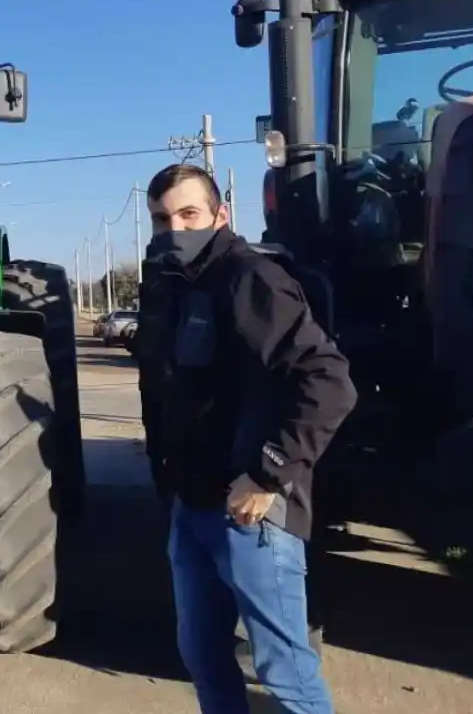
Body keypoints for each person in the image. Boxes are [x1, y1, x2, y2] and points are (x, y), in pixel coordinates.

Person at [136, 163, 357, 714]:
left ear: (220, 215)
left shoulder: (249, 278)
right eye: (163, 219)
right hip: (191, 510)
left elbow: (329, 382)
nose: (175, 229)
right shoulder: (175, 288)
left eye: (189, 214)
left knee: (285, 675)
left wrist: (266, 474)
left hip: (250, 517)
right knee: (204, 658)